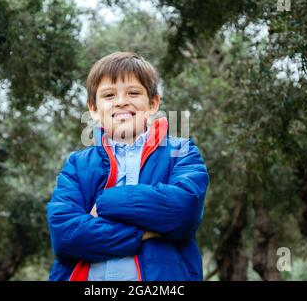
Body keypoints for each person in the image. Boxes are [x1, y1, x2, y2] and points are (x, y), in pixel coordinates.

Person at [47, 51, 209, 281]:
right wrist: (145, 231)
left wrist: (103, 204)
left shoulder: (181, 152)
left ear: (153, 103)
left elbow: (185, 210)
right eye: (109, 95)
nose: (121, 101)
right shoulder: (77, 164)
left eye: (133, 92)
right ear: (93, 108)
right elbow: (66, 237)